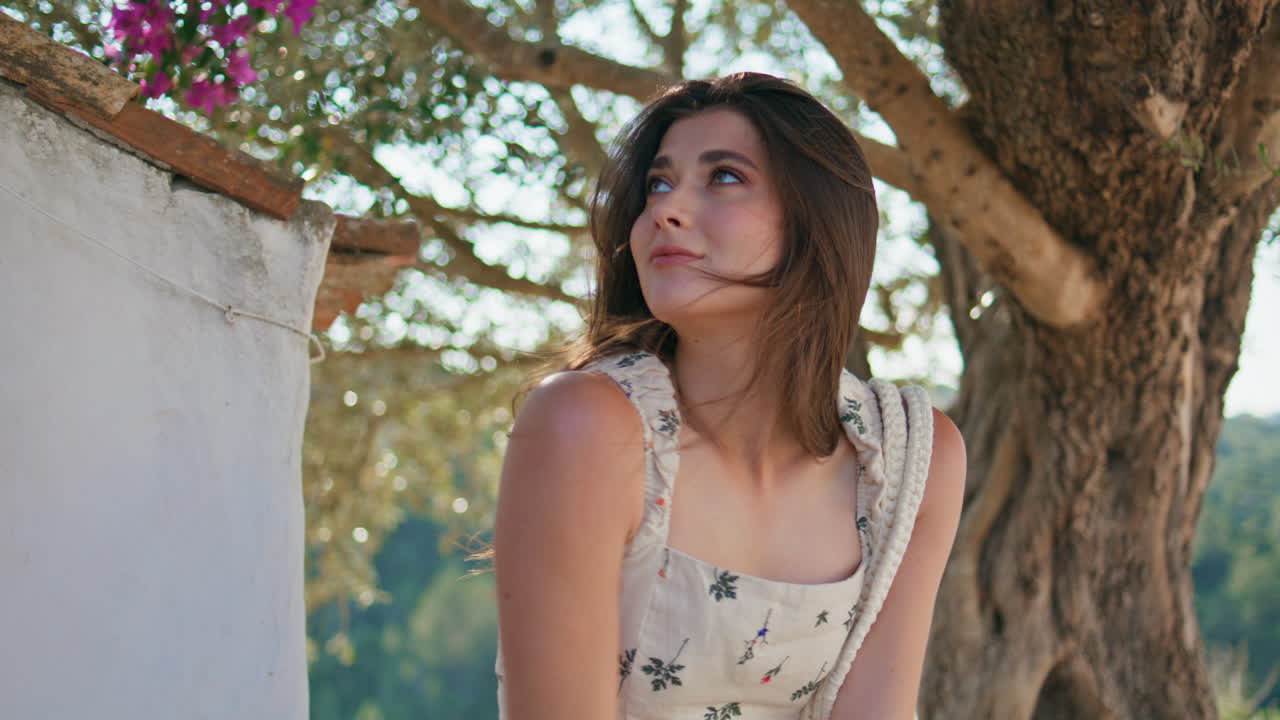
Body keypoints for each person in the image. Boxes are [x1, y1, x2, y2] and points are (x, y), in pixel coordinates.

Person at [491, 72, 965, 720]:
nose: (666, 209)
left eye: (724, 177)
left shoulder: (911, 457)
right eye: (658, 183)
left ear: (816, 220)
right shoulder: (586, 428)